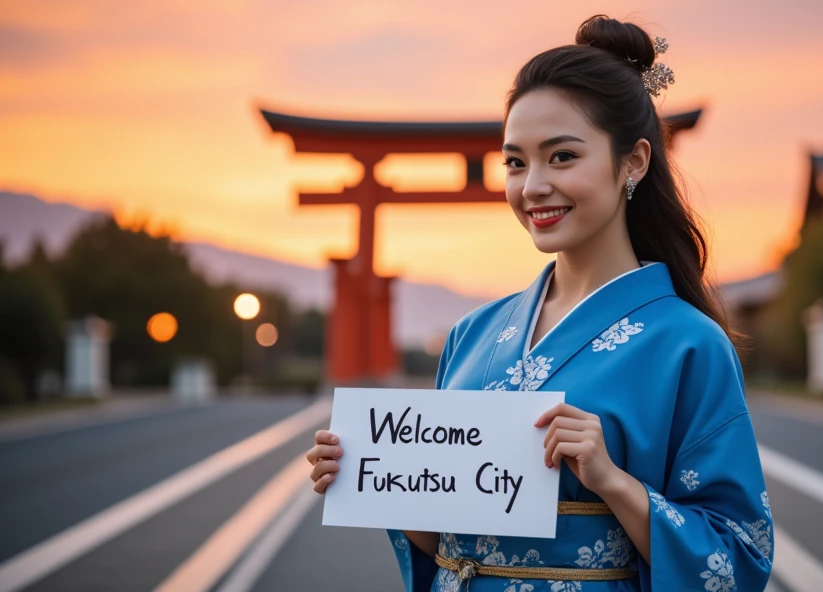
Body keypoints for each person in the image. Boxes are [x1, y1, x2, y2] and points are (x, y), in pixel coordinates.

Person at [306, 14, 774, 592]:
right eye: (515, 162)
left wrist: (613, 481)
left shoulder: (688, 343)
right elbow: (451, 547)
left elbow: (738, 555)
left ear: (634, 161)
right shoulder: (472, 334)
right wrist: (377, 481)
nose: (532, 188)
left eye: (562, 157)